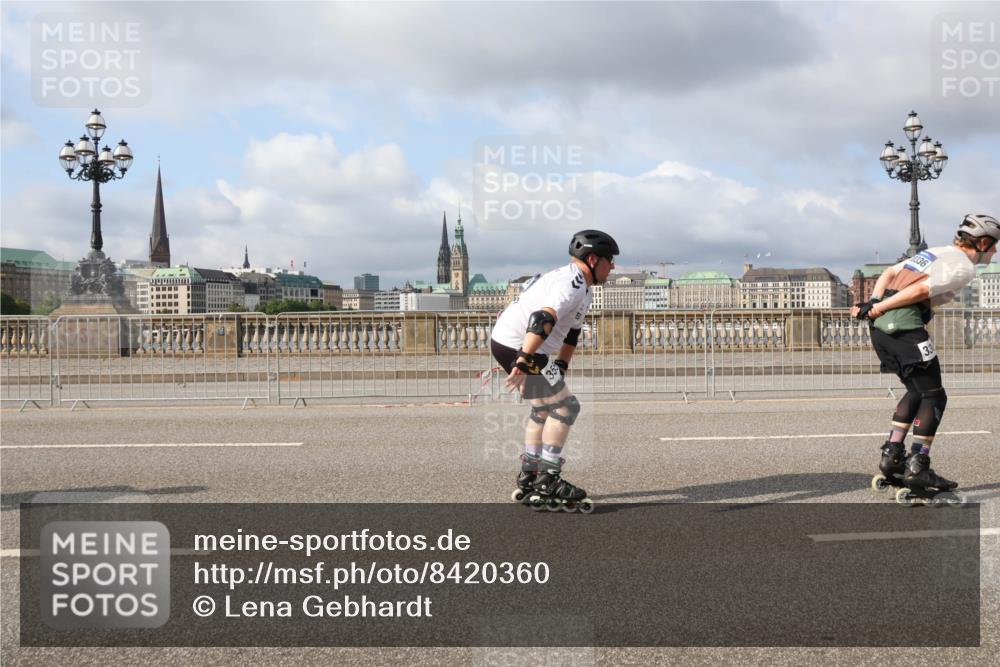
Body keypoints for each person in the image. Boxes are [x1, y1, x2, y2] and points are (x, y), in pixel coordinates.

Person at [854, 214, 999, 498]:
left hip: (882, 332)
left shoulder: (934, 252)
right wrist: (881, 308)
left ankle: (893, 455)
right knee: (935, 395)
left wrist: (874, 303)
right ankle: (918, 466)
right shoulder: (964, 267)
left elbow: (887, 275)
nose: (994, 252)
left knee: (916, 390)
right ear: (982, 242)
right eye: (993, 246)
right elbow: (919, 290)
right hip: (905, 329)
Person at [490, 230, 620, 512]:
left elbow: (571, 333)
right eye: (610, 260)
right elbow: (542, 318)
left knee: (543, 410)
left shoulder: (582, 286)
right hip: (522, 345)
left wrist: (559, 366)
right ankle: (548, 478)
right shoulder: (571, 283)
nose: (613, 266)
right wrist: (524, 360)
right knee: (566, 408)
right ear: (593, 259)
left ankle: (531, 473)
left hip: (510, 343)